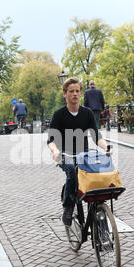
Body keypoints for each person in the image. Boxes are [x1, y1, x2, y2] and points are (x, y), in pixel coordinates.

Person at [48, 77, 110, 227]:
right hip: (65, 155)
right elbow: (51, 140)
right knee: (71, 170)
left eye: (77, 91)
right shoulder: (59, 115)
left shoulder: (87, 113)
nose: (75, 94)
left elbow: (96, 136)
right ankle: (68, 207)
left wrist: (106, 147)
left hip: (83, 154)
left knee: (95, 176)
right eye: (71, 91)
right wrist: (56, 151)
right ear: (65, 94)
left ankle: (98, 211)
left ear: (81, 94)